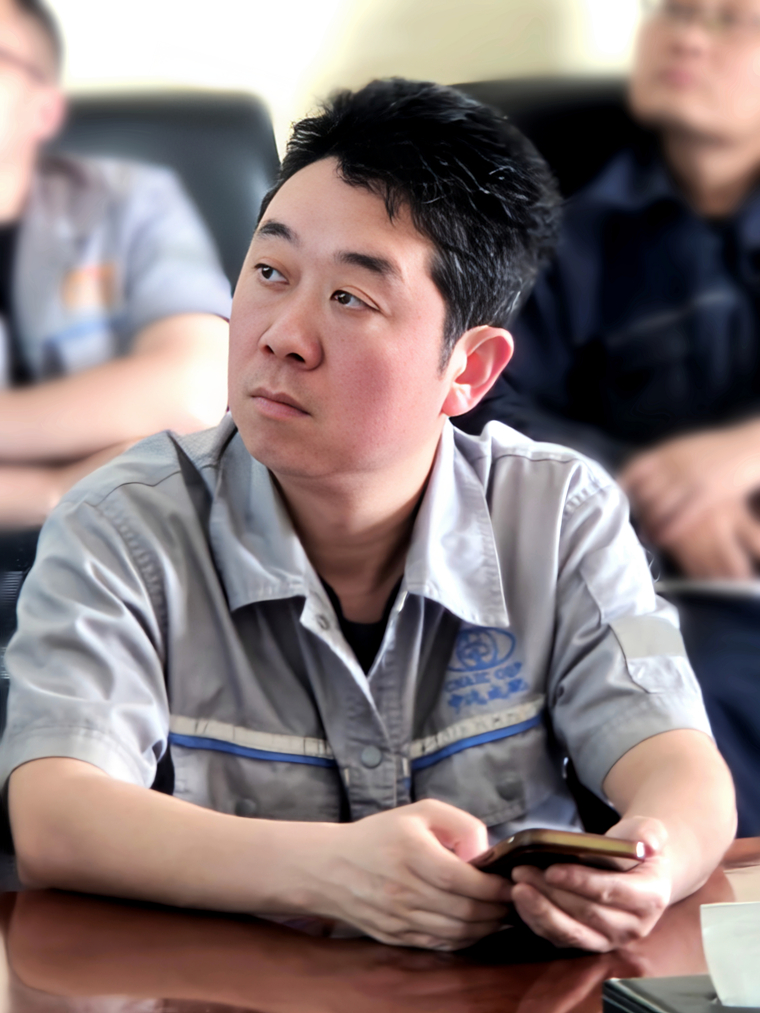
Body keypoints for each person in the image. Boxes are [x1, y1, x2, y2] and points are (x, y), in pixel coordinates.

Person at [0, 79, 735, 953]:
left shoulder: (563, 514)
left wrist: (652, 862)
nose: (281, 334)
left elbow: (678, 759)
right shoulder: (120, 525)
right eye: (270, 273)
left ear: (469, 369)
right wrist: (330, 870)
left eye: (351, 298)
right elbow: (56, 813)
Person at [458, 0, 760, 836]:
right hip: (657, 589)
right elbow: (487, 402)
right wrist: (655, 496)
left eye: (731, 20)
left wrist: (741, 454)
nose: (688, 36)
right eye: (677, 12)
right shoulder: (574, 240)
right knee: (670, 689)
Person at [0, 0, 231, 527]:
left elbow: (195, 390)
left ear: (43, 110)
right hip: (110, 496)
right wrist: (53, 491)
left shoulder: (132, 202)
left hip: (139, 529)